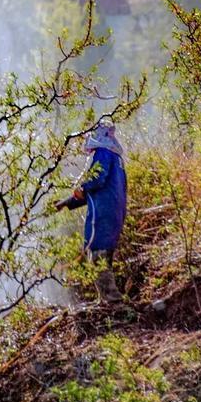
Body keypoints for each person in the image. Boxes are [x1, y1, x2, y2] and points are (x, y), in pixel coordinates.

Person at [55, 122, 127, 302]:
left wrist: (83, 187)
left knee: (97, 254)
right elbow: (98, 191)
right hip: (114, 213)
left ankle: (112, 300)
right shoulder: (117, 159)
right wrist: (66, 203)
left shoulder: (103, 153)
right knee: (105, 254)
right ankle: (106, 300)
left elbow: (97, 180)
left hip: (102, 214)